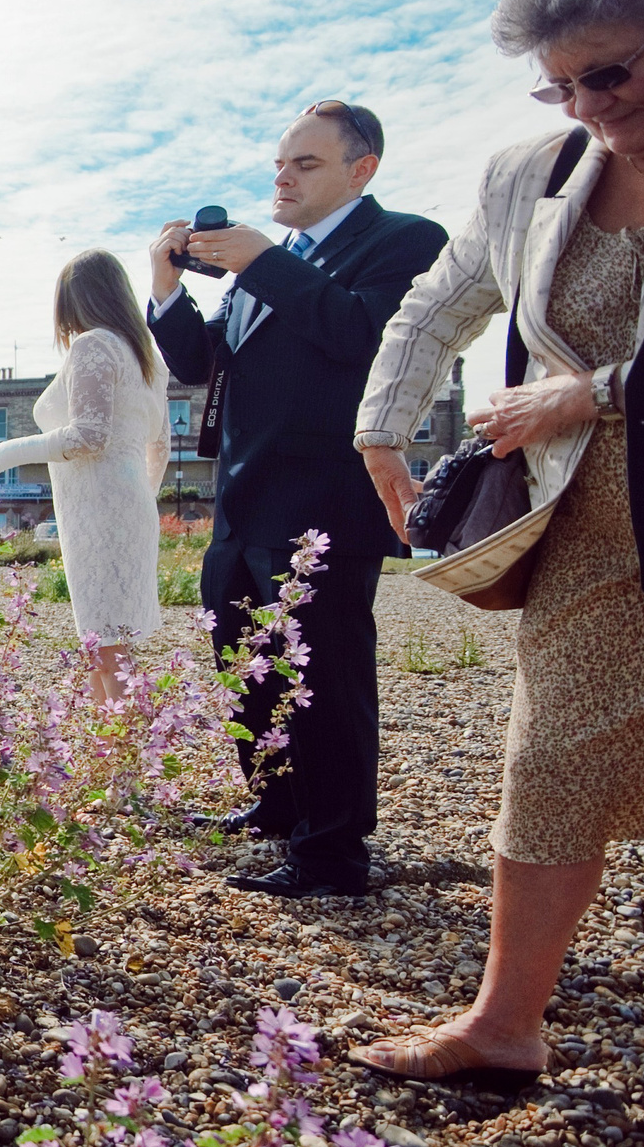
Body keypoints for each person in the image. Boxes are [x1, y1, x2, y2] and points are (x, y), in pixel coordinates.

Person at [344, 0, 644, 1147]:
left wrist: (591, 390)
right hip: (592, 531)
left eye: (609, 72)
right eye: (558, 87)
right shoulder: (537, 175)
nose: (589, 109)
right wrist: (380, 426)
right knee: (546, 760)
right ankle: (506, 1020)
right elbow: (434, 304)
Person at [146, 100, 447, 899]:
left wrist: (261, 263)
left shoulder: (405, 241)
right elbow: (202, 367)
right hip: (241, 502)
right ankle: (278, 807)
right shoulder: (268, 260)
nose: (283, 177)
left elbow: (363, 336)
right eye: (280, 164)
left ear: (362, 169)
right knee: (246, 669)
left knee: (327, 681)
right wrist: (167, 288)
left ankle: (334, 854)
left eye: (305, 164)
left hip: (326, 501)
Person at [0, 250, 171, 706]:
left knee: (107, 648)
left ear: (72, 302)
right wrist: (140, 498)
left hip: (97, 506)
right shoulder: (148, 358)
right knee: (106, 645)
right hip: (128, 505)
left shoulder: (94, 345)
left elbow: (88, 437)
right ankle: (101, 756)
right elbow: (159, 446)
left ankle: (126, 766)